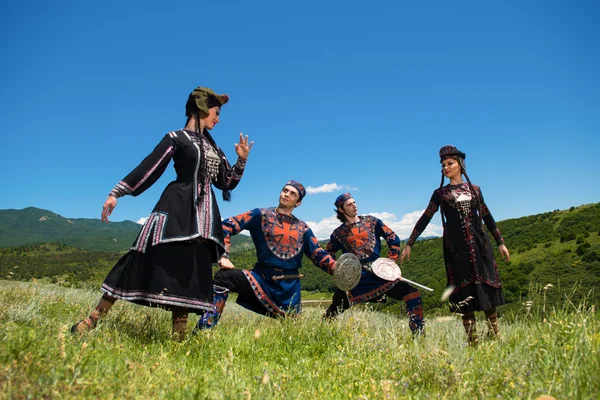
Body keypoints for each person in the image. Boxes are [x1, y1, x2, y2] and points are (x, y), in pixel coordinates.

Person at [71, 86, 254, 339]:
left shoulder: (215, 148)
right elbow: (151, 167)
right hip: (175, 211)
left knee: (189, 276)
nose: (218, 118)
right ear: (202, 107)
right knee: (137, 261)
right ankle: (92, 320)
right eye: (216, 111)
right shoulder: (176, 138)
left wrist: (242, 160)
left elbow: (226, 182)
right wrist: (117, 192)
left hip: (204, 221)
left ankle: (178, 339)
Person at [400, 145, 510, 345]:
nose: (445, 167)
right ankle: (473, 341)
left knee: (486, 288)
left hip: (480, 245)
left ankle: (496, 336)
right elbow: (426, 217)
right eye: (443, 165)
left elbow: (486, 215)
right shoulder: (440, 193)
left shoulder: (475, 190)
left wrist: (500, 243)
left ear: (460, 164)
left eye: (450, 163)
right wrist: (410, 243)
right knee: (463, 292)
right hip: (456, 249)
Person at [194, 180, 336, 329]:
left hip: (289, 288)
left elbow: (317, 253)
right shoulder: (260, 215)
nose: (287, 194)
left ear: (298, 203)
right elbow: (226, 225)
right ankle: (204, 330)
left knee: (292, 330)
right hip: (262, 279)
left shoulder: (303, 228)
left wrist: (337, 267)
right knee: (223, 277)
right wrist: (224, 255)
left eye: (292, 194)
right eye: (285, 190)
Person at [323, 193, 425, 335]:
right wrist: (338, 271)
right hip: (355, 277)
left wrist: (390, 261)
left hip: (378, 272)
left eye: (354, 202)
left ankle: (419, 335)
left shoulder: (373, 221)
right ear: (341, 210)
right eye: (349, 204)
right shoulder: (338, 233)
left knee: (412, 293)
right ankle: (321, 332)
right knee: (335, 308)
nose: (354, 206)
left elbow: (392, 237)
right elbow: (329, 254)